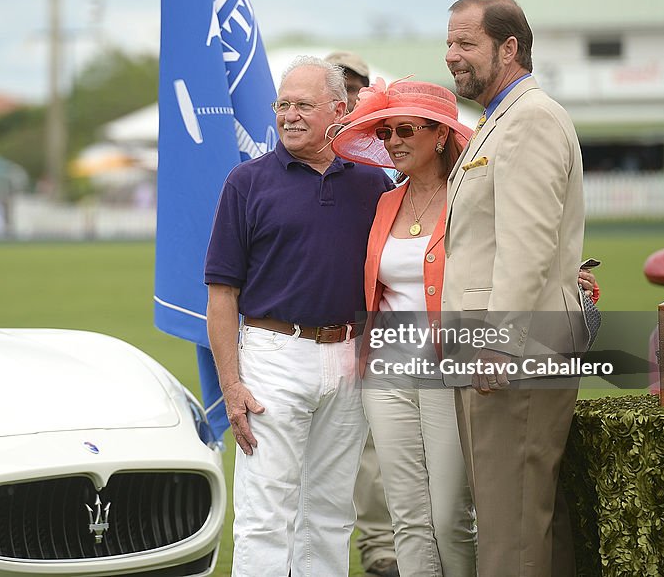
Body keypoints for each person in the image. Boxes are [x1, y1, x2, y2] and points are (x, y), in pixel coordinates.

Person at [204, 55, 393, 576]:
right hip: (273, 357)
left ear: (338, 109)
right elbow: (222, 294)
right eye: (282, 104)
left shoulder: (373, 183)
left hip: (349, 358)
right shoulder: (245, 183)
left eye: (302, 105)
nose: (289, 114)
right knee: (265, 517)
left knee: (330, 514)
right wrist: (232, 385)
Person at [442, 0, 585, 576]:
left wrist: (498, 341)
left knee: (512, 530)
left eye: (465, 43)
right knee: (515, 521)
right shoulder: (499, 120)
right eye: (448, 42)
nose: (452, 55)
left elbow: (526, 248)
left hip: (514, 352)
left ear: (509, 47)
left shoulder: (529, 120)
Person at [331, 79, 477, 576]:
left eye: (406, 130)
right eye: (387, 130)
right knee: (408, 519)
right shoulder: (386, 202)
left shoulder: (471, 199)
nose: (393, 141)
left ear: (440, 135)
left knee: (450, 517)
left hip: (448, 370)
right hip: (387, 376)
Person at [325, 49, 400, 577]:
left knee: (376, 447)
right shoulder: (289, 159)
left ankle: (380, 551)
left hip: (372, 328)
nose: (351, 98)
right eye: (342, 88)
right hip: (308, 335)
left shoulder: (383, 164)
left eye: (358, 89)